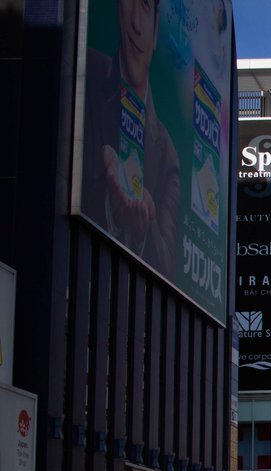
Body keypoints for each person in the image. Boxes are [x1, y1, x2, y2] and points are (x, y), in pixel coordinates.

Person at [80, 0, 181, 277]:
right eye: (130, 3)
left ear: (157, 27)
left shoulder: (168, 154)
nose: (136, 23)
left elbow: (169, 264)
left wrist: (142, 228)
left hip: (133, 305)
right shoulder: (83, 74)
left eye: (146, 7)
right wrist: (110, 204)